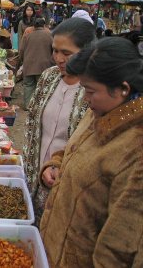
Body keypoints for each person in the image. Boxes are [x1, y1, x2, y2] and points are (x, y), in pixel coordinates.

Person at [40, 37, 143, 267]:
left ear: (123, 89)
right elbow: (75, 150)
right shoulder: (103, 111)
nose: (85, 99)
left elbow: (119, 249)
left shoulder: (135, 151)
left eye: (90, 91)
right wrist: (55, 164)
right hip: (52, 251)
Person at [23, 18, 95, 226]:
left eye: (66, 53)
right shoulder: (49, 77)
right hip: (35, 176)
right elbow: (32, 125)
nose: (58, 58)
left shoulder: (93, 89)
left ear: (87, 52)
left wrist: (58, 169)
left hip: (67, 183)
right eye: (55, 51)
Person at [18, 17, 54, 108]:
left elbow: (21, 50)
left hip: (28, 65)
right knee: (42, 87)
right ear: (44, 25)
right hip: (44, 66)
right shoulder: (49, 35)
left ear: (33, 26)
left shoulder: (28, 35)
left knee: (28, 86)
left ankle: (28, 106)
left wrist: (22, 60)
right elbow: (54, 50)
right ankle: (40, 106)